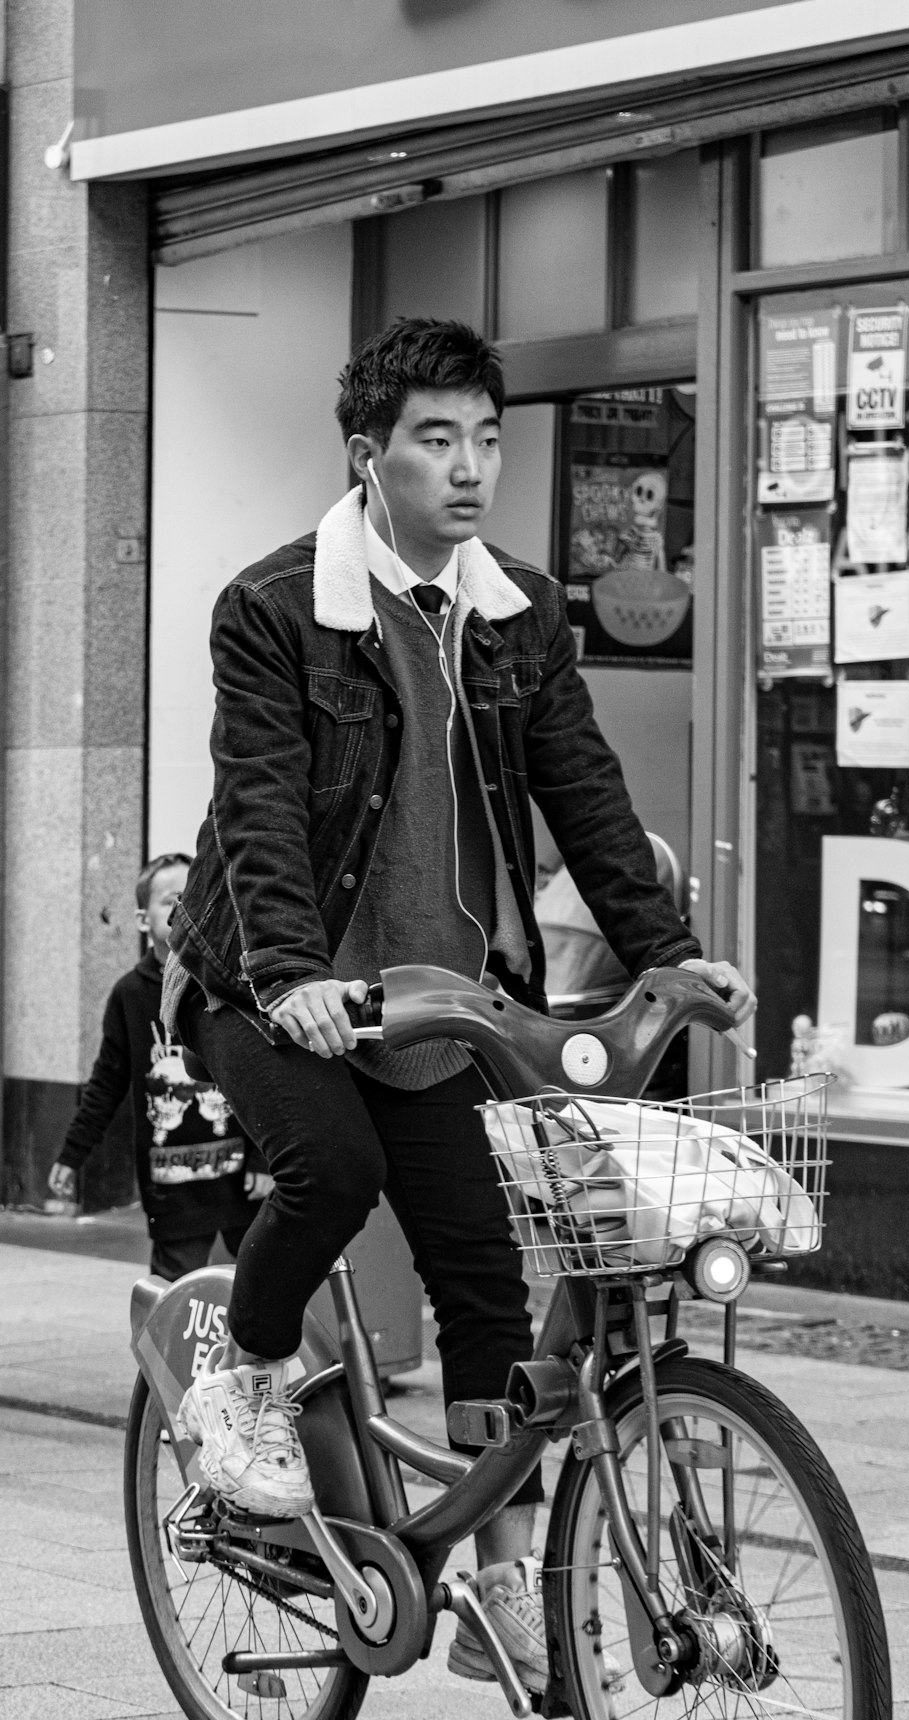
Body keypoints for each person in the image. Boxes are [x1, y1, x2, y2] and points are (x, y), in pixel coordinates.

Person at [163, 318, 755, 1693]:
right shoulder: (273, 609)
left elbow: (586, 797)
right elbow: (259, 811)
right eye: (438, 439)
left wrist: (669, 952)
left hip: (443, 1009)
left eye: (488, 437)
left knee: (492, 1280)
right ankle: (240, 1378)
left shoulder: (520, 615)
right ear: (370, 458)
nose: (472, 465)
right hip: (273, 981)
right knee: (333, 1166)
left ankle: (502, 1578)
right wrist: (297, 978)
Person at [48, 853, 271, 1282]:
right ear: (141, 920)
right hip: (172, 1187)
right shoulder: (129, 995)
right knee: (174, 1299)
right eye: (171, 901)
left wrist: (263, 1161)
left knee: (261, 1292)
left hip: (240, 1177)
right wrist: (71, 1156)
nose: (183, 909)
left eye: (193, 897)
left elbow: (259, 1075)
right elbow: (106, 1083)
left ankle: (253, 1353)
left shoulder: (229, 983)